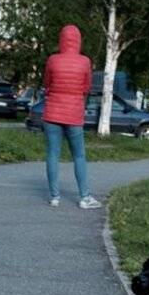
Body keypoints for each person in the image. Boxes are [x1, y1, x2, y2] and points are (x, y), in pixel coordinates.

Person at [41, 24, 100, 209]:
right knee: (79, 156)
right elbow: (86, 87)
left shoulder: (52, 60)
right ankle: (84, 197)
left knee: (53, 154)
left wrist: (53, 91)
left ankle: (54, 197)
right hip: (74, 115)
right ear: (78, 41)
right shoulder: (85, 62)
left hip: (52, 113)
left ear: (61, 40)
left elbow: (47, 83)